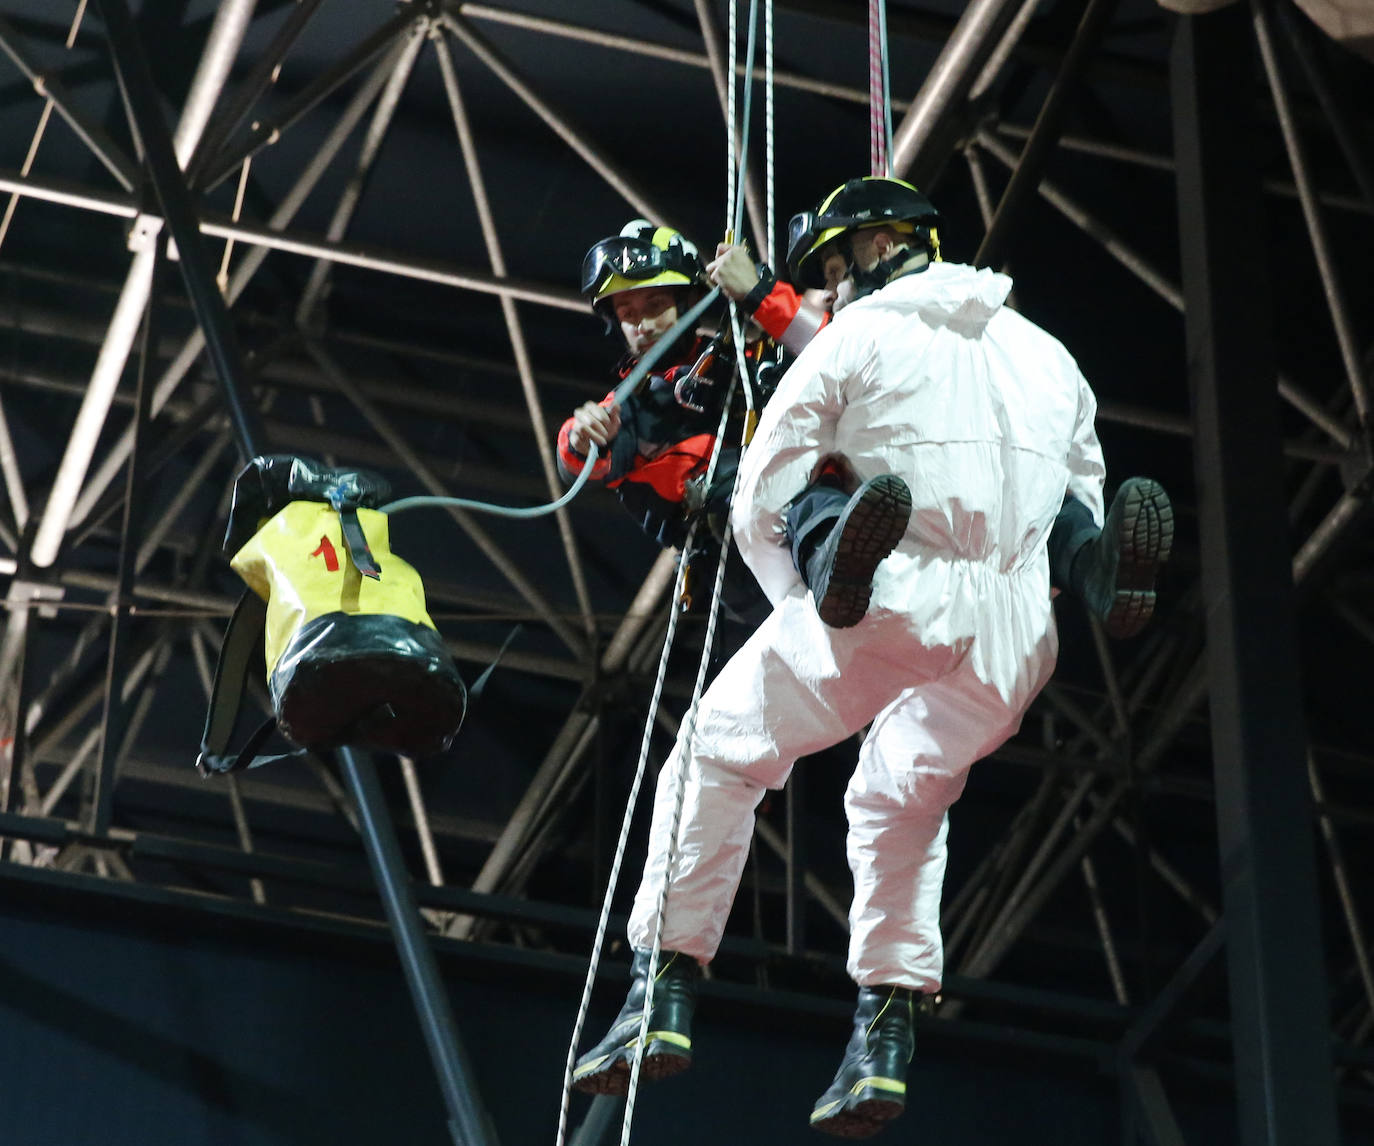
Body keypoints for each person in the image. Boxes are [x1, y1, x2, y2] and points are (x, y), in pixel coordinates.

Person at [570, 176, 1161, 1138]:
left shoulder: (853, 337)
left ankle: (658, 994)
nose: (830, 289)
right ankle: (883, 1037)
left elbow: (766, 477)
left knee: (717, 752)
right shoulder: (1049, 355)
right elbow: (1081, 480)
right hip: (1016, 642)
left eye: (836, 267)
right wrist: (1062, 569)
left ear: (868, 251)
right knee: (898, 793)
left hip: (889, 597)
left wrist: (803, 587)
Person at [705, 201, 1172, 640]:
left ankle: (829, 558)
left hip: (898, 567)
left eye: (833, 271)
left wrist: (759, 293)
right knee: (1045, 497)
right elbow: (1080, 458)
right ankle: (1091, 564)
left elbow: (797, 420)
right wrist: (1061, 553)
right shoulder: (1024, 335)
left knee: (809, 483)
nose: (828, 293)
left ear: (882, 247)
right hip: (1010, 589)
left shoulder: (868, 327)